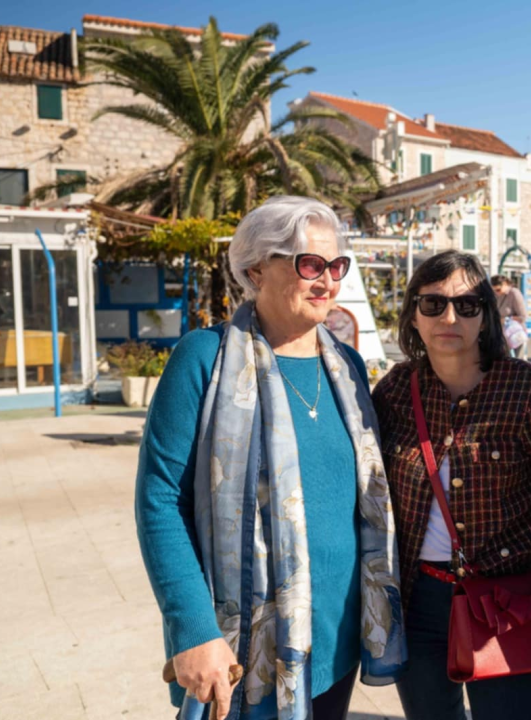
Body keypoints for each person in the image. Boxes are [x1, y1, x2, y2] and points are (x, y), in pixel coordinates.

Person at [135, 196, 406, 720]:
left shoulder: (346, 364)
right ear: (257, 269)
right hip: (247, 644)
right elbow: (159, 501)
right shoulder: (203, 358)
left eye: (336, 266)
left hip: (337, 635)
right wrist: (193, 628)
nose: (326, 279)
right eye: (310, 264)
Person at [373, 251, 531, 720]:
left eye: (467, 305)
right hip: (417, 602)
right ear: (413, 315)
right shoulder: (396, 391)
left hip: (504, 602)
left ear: (487, 316)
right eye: (433, 304)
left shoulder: (526, 390)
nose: (449, 317)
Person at [491, 274, 527, 357]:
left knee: (517, 363)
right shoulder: (497, 296)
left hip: (515, 335)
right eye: (494, 290)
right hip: (502, 336)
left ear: (505, 284)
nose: (496, 292)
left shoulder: (514, 293)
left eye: (498, 290)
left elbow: (523, 317)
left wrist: (506, 319)